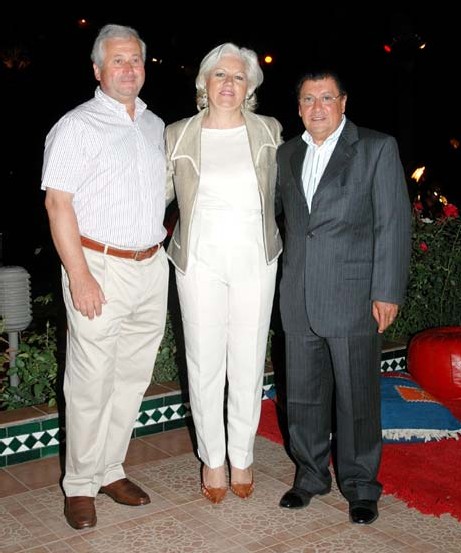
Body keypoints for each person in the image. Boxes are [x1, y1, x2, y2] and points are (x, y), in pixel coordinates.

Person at [41, 24, 169, 530]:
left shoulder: (156, 124)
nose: (128, 68)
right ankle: (78, 484)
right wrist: (80, 275)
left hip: (149, 265)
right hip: (98, 266)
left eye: (135, 59)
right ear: (98, 70)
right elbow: (58, 204)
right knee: (90, 381)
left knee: (132, 378)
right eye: (117, 61)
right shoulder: (77, 126)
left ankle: (109, 469)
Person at [275, 69, 412, 524]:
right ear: (298, 108)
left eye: (327, 98)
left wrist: (387, 290)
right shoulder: (286, 154)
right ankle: (310, 476)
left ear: (343, 103)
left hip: (354, 295)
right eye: (309, 99)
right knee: (303, 396)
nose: (317, 108)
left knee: (357, 397)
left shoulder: (375, 148)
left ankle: (360, 486)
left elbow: (392, 223)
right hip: (298, 295)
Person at [165, 43, 283, 503]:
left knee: (249, 361)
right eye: (220, 75)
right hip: (199, 262)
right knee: (204, 360)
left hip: (256, 258)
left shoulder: (270, 131)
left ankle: (242, 455)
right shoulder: (177, 134)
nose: (228, 84)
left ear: (249, 86)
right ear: (204, 83)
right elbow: (154, 196)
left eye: (238, 77)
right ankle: (213, 459)